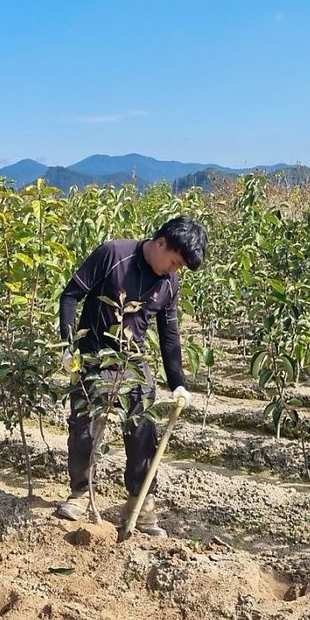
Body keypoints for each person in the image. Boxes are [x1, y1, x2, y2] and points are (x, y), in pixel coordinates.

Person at [56, 215, 207, 536]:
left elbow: (169, 334)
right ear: (161, 243)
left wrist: (178, 383)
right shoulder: (113, 254)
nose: (173, 269)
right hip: (92, 357)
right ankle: (81, 492)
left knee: (143, 432)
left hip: (133, 365)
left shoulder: (169, 283)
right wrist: (68, 346)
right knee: (84, 431)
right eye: (174, 261)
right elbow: (70, 295)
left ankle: (140, 503)